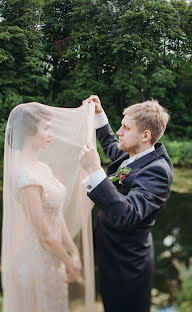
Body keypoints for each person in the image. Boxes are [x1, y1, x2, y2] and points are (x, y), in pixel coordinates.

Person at [80, 95, 174, 312]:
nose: (119, 132)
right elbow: (112, 146)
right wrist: (99, 115)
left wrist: (95, 170)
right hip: (110, 255)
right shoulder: (135, 155)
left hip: (127, 267)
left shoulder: (157, 171)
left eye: (125, 128)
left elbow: (127, 214)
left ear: (145, 135)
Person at [2, 102, 96, 312]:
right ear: (29, 132)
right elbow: (43, 233)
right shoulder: (25, 176)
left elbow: (56, 214)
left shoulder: (42, 168)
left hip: (53, 261)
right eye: (46, 128)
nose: (51, 134)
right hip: (35, 264)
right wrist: (69, 261)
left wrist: (73, 251)